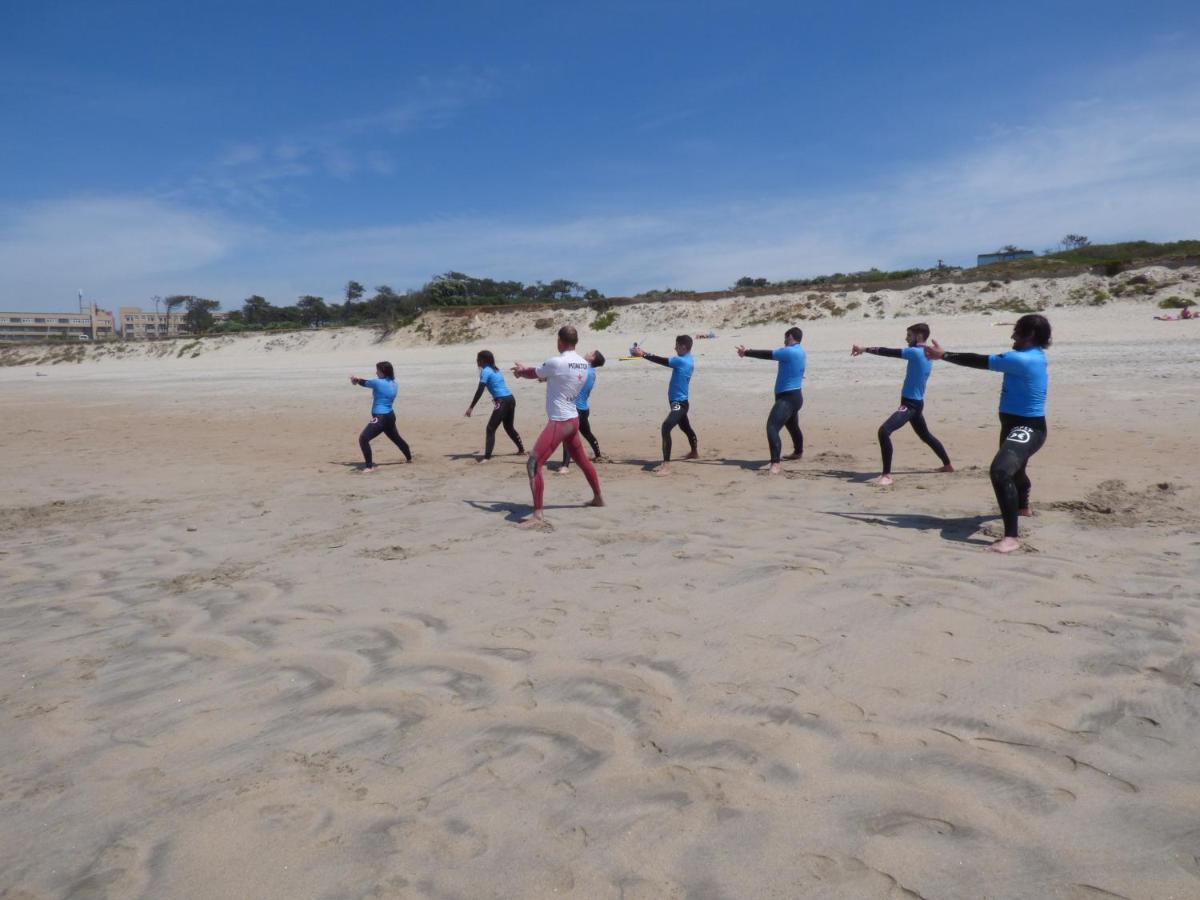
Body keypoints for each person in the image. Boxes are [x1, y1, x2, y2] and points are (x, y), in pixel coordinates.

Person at [925, 313, 1051, 554]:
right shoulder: (1032, 356)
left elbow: (979, 361)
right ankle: (1023, 508)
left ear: (1030, 335)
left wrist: (945, 355)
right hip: (1013, 424)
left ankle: (1011, 538)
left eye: (1017, 331)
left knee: (1001, 471)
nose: (1012, 336)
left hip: (1029, 427)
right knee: (1016, 470)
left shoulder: (1022, 359)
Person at [511, 326, 605, 527]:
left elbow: (533, 373)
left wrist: (520, 371)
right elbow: (553, 377)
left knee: (533, 464)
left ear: (560, 341)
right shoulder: (583, 365)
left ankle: (538, 515)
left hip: (560, 422)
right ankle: (598, 498)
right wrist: (532, 373)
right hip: (573, 420)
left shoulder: (556, 362)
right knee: (583, 461)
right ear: (576, 342)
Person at [851, 323, 954, 485]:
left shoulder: (915, 352)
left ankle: (886, 475)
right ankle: (947, 465)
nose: (906, 338)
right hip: (917, 402)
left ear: (919, 336)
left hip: (911, 405)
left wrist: (864, 349)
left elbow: (888, 352)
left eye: (909, 335)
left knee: (884, 431)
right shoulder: (928, 352)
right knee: (925, 435)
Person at [736, 326, 806, 474]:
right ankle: (798, 452)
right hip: (796, 396)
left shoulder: (789, 351)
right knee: (793, 426)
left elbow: (767, 354)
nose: (784, 340)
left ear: (791, 337)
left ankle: (775, 463)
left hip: (787, 398)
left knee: (772, 427)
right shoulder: (800, 351)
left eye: (785, 337)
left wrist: (746, 352)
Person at [632, 335, 698, 476]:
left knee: (666, 426)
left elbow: (661, 360)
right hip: (679, 402)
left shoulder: (681, 361)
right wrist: (642, 353)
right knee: (685, 427)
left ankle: (666, 465)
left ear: (684, 347)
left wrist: (642, 354)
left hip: (679, 403)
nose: (675, 348)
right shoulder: (689, 358)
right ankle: (694, 452)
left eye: (677, 345)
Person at [349, 361, 412, 472]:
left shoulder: (378, 382)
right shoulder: (394, 383)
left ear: (383, 371)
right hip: (390, 416)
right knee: (397, 439)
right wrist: (359, 381)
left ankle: (369, 467)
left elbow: (364, 382)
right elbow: (366, 382)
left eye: (377, 370)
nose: (376, 372)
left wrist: (355, 380)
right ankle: (409, 458)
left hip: (381, 417)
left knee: (363, 438)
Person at [464, 350, 524, 462]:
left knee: (490, 428)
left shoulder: (486, 371)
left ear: (483, 360)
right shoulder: (495, 369)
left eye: (478, 359)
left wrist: (471, 407)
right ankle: (521, 449)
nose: (477, 361)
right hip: (510, 399)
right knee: (509, 427)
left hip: (502, 401)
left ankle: (487, 457)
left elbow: (480, 390)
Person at [557, 350, 606, 474]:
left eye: (591, 352)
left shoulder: (584, 371)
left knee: (567, 436)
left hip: (575, 409)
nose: (587, 352)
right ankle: (598, 455)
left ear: (592, 358)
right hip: (584, 409)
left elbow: (569, 381)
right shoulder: (591, 372)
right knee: (587, 433)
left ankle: (565, 466)